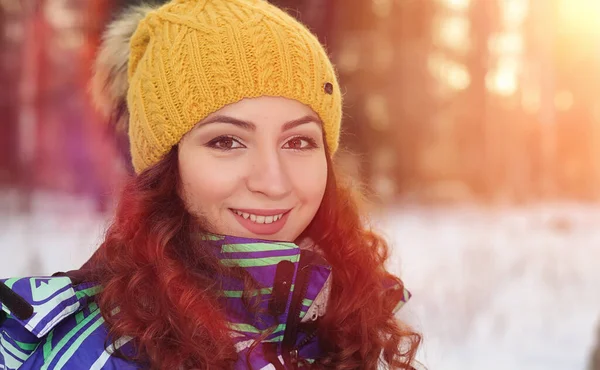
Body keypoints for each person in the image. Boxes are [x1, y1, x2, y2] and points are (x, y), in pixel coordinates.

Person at [0, 0, 422, 368]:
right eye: (226, 141)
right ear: (165, 166)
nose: (273, 182)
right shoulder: (105, 350)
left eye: (298, 141)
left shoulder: (343, 317)